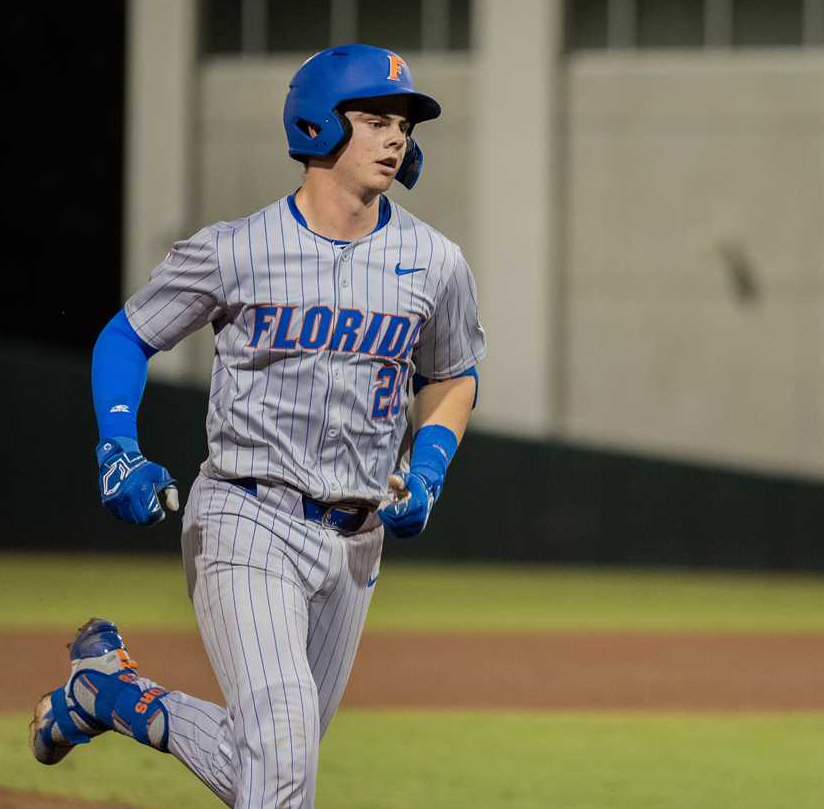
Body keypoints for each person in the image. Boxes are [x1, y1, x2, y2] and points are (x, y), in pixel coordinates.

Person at [28, 44, 486, 809]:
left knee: (271, 763)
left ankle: (109, 694)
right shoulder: (235, 249)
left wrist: (430, 467)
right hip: (246, 515)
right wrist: (118, 445)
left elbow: (452, 375)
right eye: (374, 118)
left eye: (401, 121)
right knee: (281, 751)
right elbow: (128, 335)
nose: (395, 136)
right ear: (316, 127)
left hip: (355, 543)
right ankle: (107, 693)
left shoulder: (435, 262)